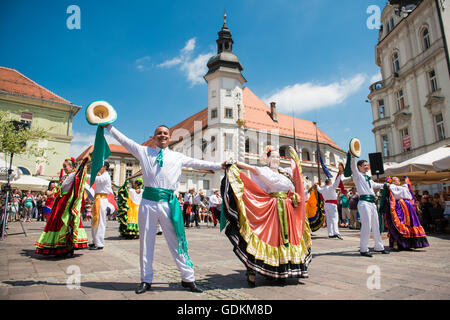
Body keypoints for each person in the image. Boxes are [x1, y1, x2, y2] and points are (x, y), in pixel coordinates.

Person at [104, 123, 226, 294]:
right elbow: (125, 140)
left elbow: (199, 163)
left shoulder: (178, 157)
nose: (162, 136)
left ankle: (188, 278)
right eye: (159, 133)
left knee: (177, 241)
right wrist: (109, 126)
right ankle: (146, 279)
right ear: (153, 138)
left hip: (169, 203)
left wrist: (221, 165)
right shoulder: (143, 151)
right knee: (146, 241)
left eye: (166, 134)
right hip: (148, 202)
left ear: (169, 138)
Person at [223, 145, 311, 287]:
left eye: (278, 157)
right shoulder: (265, 171)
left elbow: (297, 183)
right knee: (268, 237)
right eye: (273, 157)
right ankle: (252, 270)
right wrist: (237, 163)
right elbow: (252, 169)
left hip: (288, 209)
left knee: (285, 240)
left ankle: (282, 270)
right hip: (273, 208)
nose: (276, 159)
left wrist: (293, 195)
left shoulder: (285, 173)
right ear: (268, 159)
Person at [35, 157, 91, 257]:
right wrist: (53, 192)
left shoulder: (74, 175)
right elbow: (60, 187)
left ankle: (67, 248)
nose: (64, 168)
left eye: (65, 166)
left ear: (71, 166)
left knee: (65, 224)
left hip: (67, 202)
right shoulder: (66, 177)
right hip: (60, 202)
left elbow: (80, 176)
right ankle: (60, 247)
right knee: (58, 224)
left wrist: (84, 163)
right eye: (63, 166)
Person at [350, 156, 389, 257]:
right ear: (359, 167)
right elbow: (353, 167)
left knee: (376, 225)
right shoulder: (357, 175)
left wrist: (384, 185)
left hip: (372, 203)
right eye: (365, 165)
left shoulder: (368, 178)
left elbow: (375, 185)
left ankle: (379, 247)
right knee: (367, 225)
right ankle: (363, 249)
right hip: (364, 202)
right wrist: (353, 156)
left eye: (367, 165)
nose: (367, 166)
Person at [381, 177, 429, 250]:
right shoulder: (392, 187)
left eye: (398, 180)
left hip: (406, 208)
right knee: (398, 224)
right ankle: (399, 243)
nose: (399, 181)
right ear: (393, 182)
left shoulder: (402, 187)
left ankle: (407, 243)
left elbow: (407, 187)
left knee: (409, 224)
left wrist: (407, 182)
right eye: (397, 180)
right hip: (399, 207)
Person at [317, 165, 344, 240]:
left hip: (326, 204)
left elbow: (318, 189)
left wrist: (317, 185)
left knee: (329, 219)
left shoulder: (322, 189)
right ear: (329, 183)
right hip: (332, 205)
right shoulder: (331, 187)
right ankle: (336, 232)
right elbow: (336, 183)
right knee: (334, 218)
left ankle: (330, 233)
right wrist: (339, 175)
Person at [89, 162, 112, 250]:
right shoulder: (101, 175)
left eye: (100, 166)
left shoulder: (106, 175)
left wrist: (85, 176)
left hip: (102, 200)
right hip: (97, 199)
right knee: (94, 220)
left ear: (105, 167)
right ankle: (95, 241)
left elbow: (98, 180)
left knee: (100, 221)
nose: (99, 168)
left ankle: (99, 243)